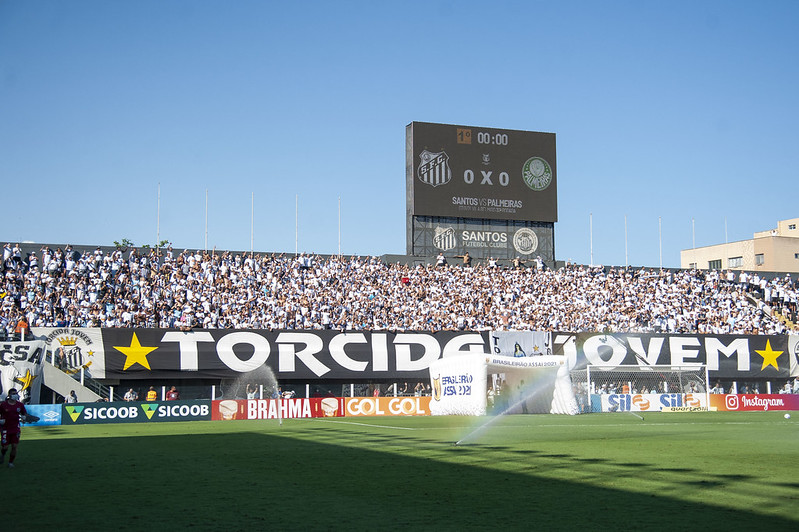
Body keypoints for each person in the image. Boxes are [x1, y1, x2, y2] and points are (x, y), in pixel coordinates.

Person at [0, 388, 28, 468]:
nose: (15, 395)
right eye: (13, 393)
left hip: (15, 428)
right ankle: (3, 454)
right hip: (5, 428)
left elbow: (24, 414)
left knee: (14, 446)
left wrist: (24, 418)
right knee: (5, 447)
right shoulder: (3, 405)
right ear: (9, 395)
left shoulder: (20, 405)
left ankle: (11, 462)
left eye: (16, 393)